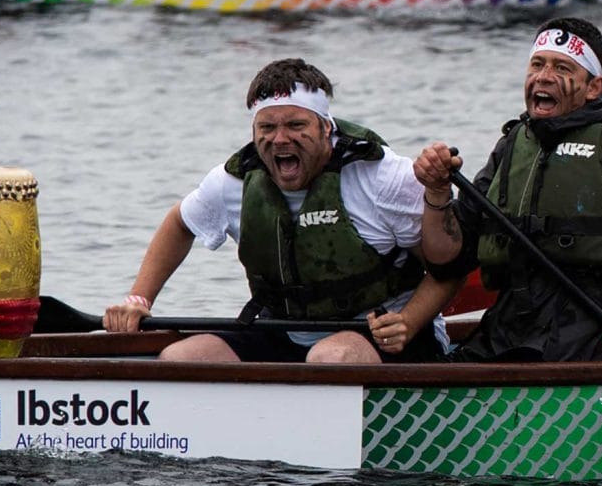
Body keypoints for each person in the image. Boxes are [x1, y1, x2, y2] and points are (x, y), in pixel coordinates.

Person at [409, 19, 602, 363]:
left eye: (562, 68)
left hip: (590, 345)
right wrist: (437, 193)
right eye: (537, 64)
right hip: (503, 336)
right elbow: (447, 260)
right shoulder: (511, 147)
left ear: (593, 87)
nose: (544, 76)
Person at [103, 59, 445, 365]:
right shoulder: (231, 183)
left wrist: (409, 321)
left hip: (388, 337)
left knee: (330, 358)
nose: (280, 139)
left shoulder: (382, 177)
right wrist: (139, 298)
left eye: (296, 125)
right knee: (181, 359)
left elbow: (449, 269)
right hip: (283, 331)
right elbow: (179, 224)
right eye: (267, 128)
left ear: (326, 127)